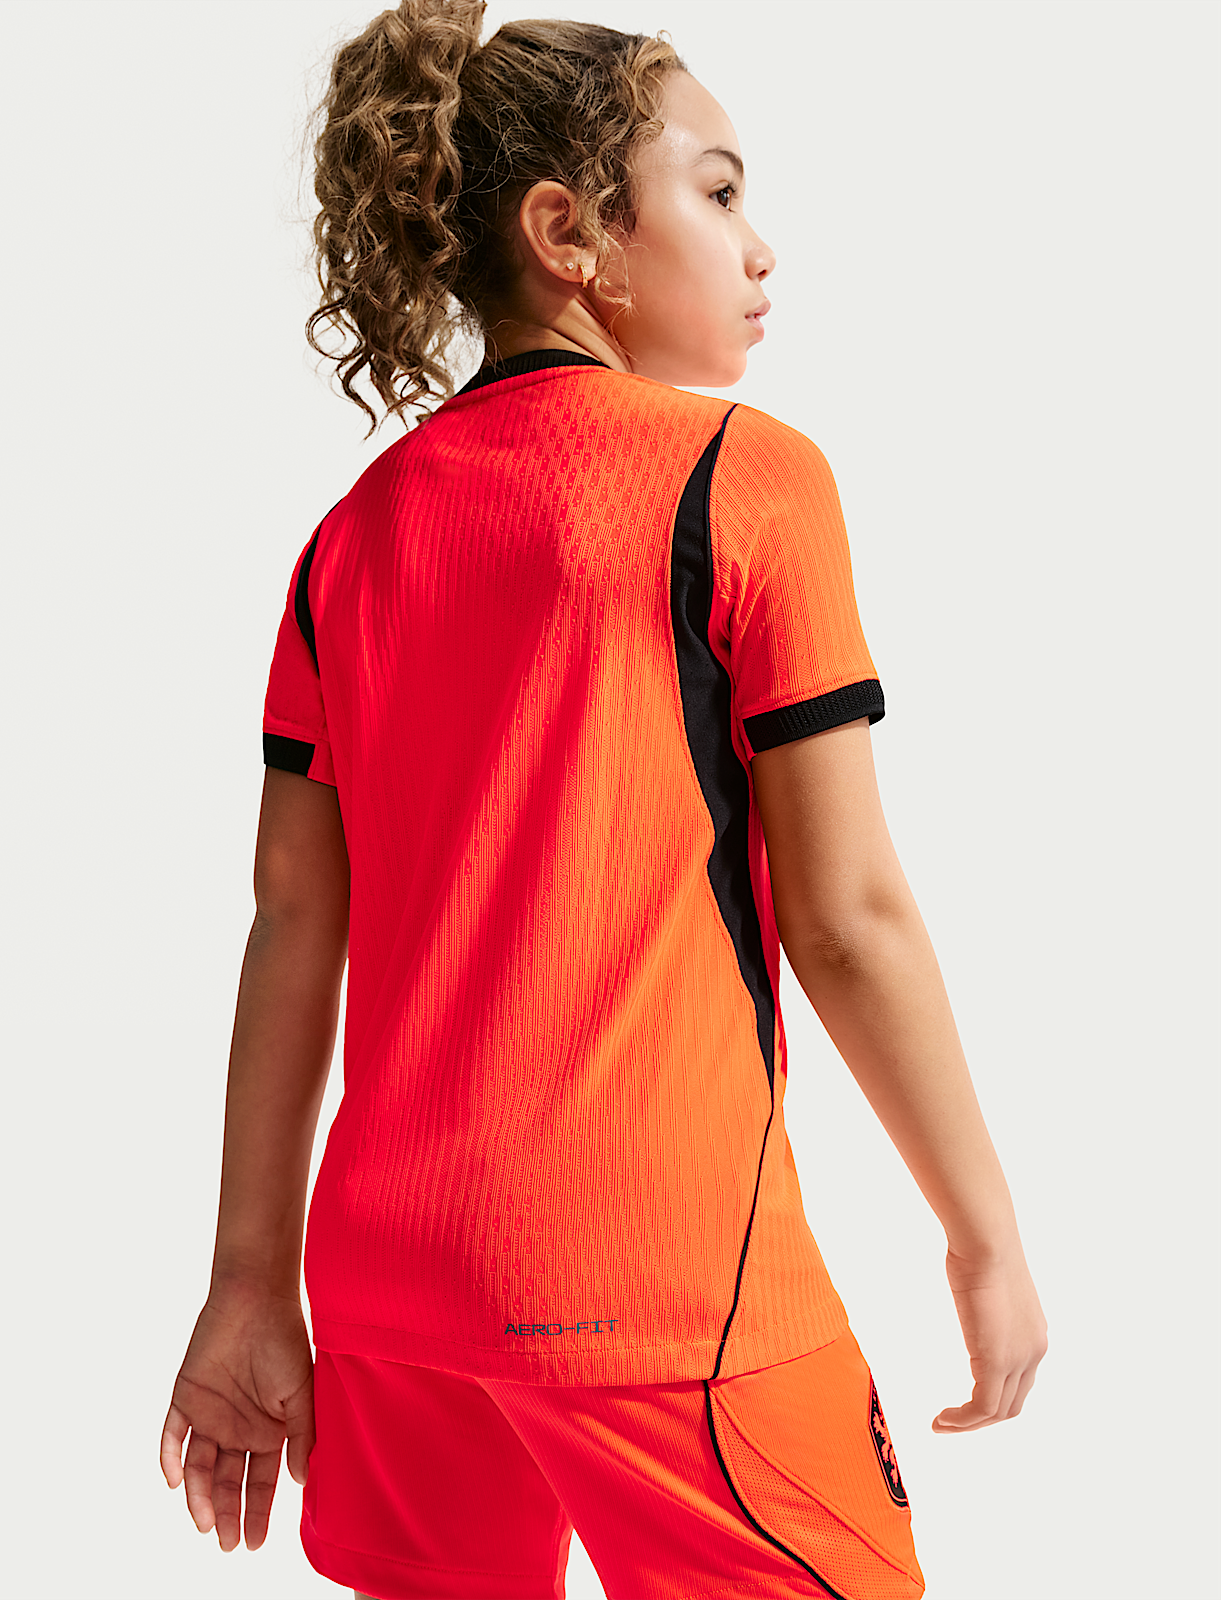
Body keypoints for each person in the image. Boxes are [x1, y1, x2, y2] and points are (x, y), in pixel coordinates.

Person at [160, 3, 1049, 1595]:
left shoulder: (350, 537)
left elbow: (291, 924)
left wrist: (246, 1282)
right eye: (717, 191)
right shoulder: (745, 480)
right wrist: (981, 1234)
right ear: (570, 235)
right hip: (659, 1280)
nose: (761, 246)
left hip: (387, 1287)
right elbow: (846, 920)